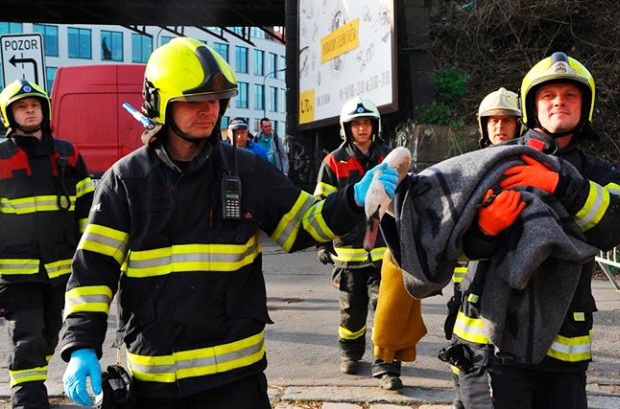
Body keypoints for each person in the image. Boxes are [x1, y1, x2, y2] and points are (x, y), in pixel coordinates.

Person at [58, 37, 399, 409]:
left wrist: (352, 199)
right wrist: (81, 345)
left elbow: (306, 224)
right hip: (156, 382)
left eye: (215, 100)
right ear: (159, 103)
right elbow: (93, 271)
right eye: (194, 100)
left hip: (237, 380)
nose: (208, 110)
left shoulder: (248, 171)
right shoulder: (126, 181)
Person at [452, 52, 620, 409]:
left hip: (564, 348)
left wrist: (562, 184)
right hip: (491, 342)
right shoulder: (495, 161)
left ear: (586, 106)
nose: (559, 102)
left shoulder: (601, 174)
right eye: (548, 95)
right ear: (531, 106)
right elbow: (447, 244)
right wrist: (483, 230)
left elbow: (618, 225)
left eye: (570, 95)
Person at [0, 79, 94, 408]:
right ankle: (28, 401)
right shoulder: (0, 157)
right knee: (27, 338)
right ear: (9, 114)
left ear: (45, 111)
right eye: (22, 107)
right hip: (16, 275)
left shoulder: (67, 153)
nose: (29, 110)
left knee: (49, 336)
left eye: (35, 105)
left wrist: (91, 257)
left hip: (62, 272)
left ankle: (34, 381)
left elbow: (87, 207)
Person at [313, 96, 403, 390]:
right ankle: (350, 354)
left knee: (386, 310)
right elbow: (321, 206)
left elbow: (405, 203)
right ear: (346, 128)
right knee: (352, 311)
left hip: (385, 254)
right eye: (356, 124)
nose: (362, 129)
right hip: (348, 255)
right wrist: (321, 243)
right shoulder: (332, 163)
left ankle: (387, 365)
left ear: (374, 126)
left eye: (366, 123)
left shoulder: (389, 159)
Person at [444, 86, 522, 409]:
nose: (499, 127)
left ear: (520, 125)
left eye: (507, 120)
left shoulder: (528, 165)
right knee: (463, 366)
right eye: (492, 120)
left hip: (507, 290)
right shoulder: (469, 168)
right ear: (483, 126)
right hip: (468, 289)